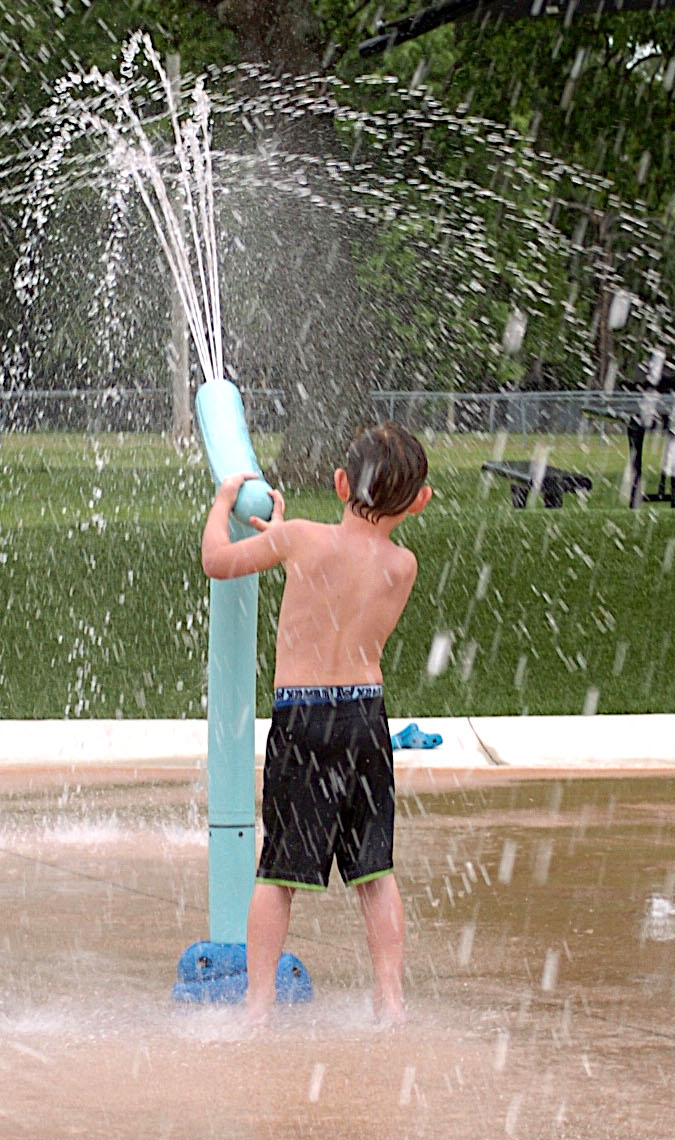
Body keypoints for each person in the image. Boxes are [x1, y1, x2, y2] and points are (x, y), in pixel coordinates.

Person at [200, 422, 431, 1025]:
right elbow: (348, 577)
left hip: (303, 717)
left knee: (279, 874)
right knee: (375, 871)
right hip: (365, 717)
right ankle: (391, 1001)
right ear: (420, 501)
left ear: (337, 483)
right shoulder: (403, 566)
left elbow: (217, 561)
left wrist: (225, 503)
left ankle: (257, 1006)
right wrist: (285, 538)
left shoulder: (301, 539)